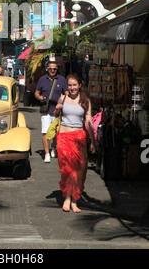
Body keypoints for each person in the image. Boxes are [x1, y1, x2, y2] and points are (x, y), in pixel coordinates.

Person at [55, 74, 96, 213]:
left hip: (79, 137)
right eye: (70, 85)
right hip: (64, 137)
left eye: (74, 85)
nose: (72, 88)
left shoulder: (85, 101)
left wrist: (93, 141)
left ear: (79, 85)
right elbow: (56, 115)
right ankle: (68, 199)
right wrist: (57, 109)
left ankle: (74, 199)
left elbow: (89, 121)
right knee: (68, 169)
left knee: (80, 170)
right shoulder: (63, 98)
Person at [35, 60, 67, 163]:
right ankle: (47, 153)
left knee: (56, 133)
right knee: (45, 132)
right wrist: (40, 98)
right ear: (47, 69)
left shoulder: (61, 80)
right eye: (51, 69)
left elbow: (66, 93)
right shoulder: (42, 79)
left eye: (55, 69)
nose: (52, 71)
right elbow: (36, 93)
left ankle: (53, 147)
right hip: (45, 109)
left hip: (57, 111)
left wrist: (62, 102)